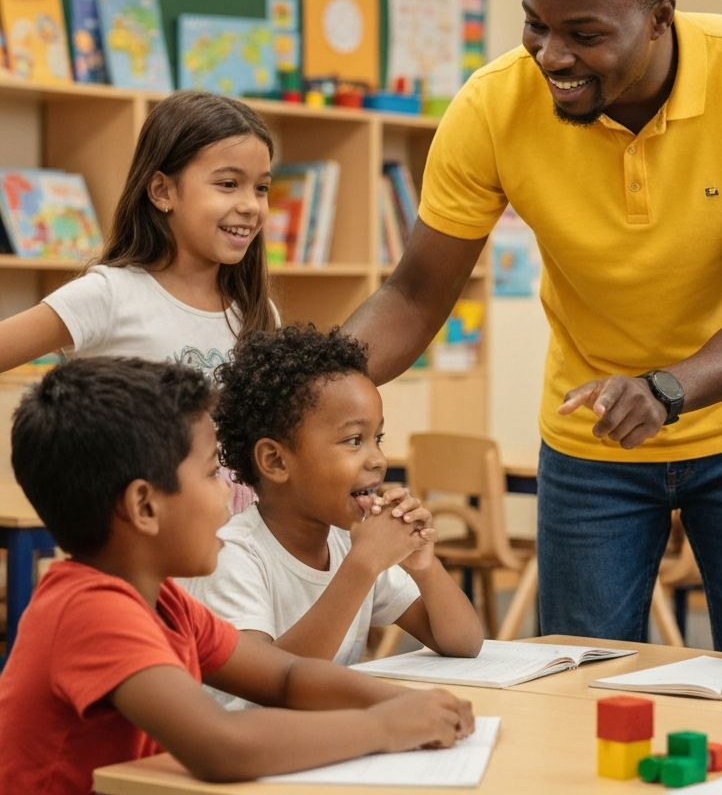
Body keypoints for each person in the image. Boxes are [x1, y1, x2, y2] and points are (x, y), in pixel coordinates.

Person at [342, 0, 722, 646]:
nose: (551, 55)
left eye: (584, 33)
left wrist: (667, 388)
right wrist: (308, 386)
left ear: (660, 18)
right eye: (535, 24)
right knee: (575, 676)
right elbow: (414, 294)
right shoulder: (493, 106)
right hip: (591, 438)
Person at [0, 357, 473, 794]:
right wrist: (385, 727)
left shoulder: (165, 601)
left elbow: (286, 676)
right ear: (144, 506)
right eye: (211, 476)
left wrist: (410, 705)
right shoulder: (91, 611)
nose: (229, 497)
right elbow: (222, 746)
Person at [0, 89, 277, 511]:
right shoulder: (109, 294)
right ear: (162, 191)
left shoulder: (258, 311)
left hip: (238, 554)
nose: (250, 206)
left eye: (261, 188)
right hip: (138, 547)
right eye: (227, 184)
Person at [182, 324, 483, 693]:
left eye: (379, 438)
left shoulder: (345, 543)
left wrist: (425, 567)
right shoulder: (234, 556)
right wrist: (362, 566)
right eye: (354, 440)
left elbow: (463, 643)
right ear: (275, 461)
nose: (377, 459)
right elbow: (271, 688)